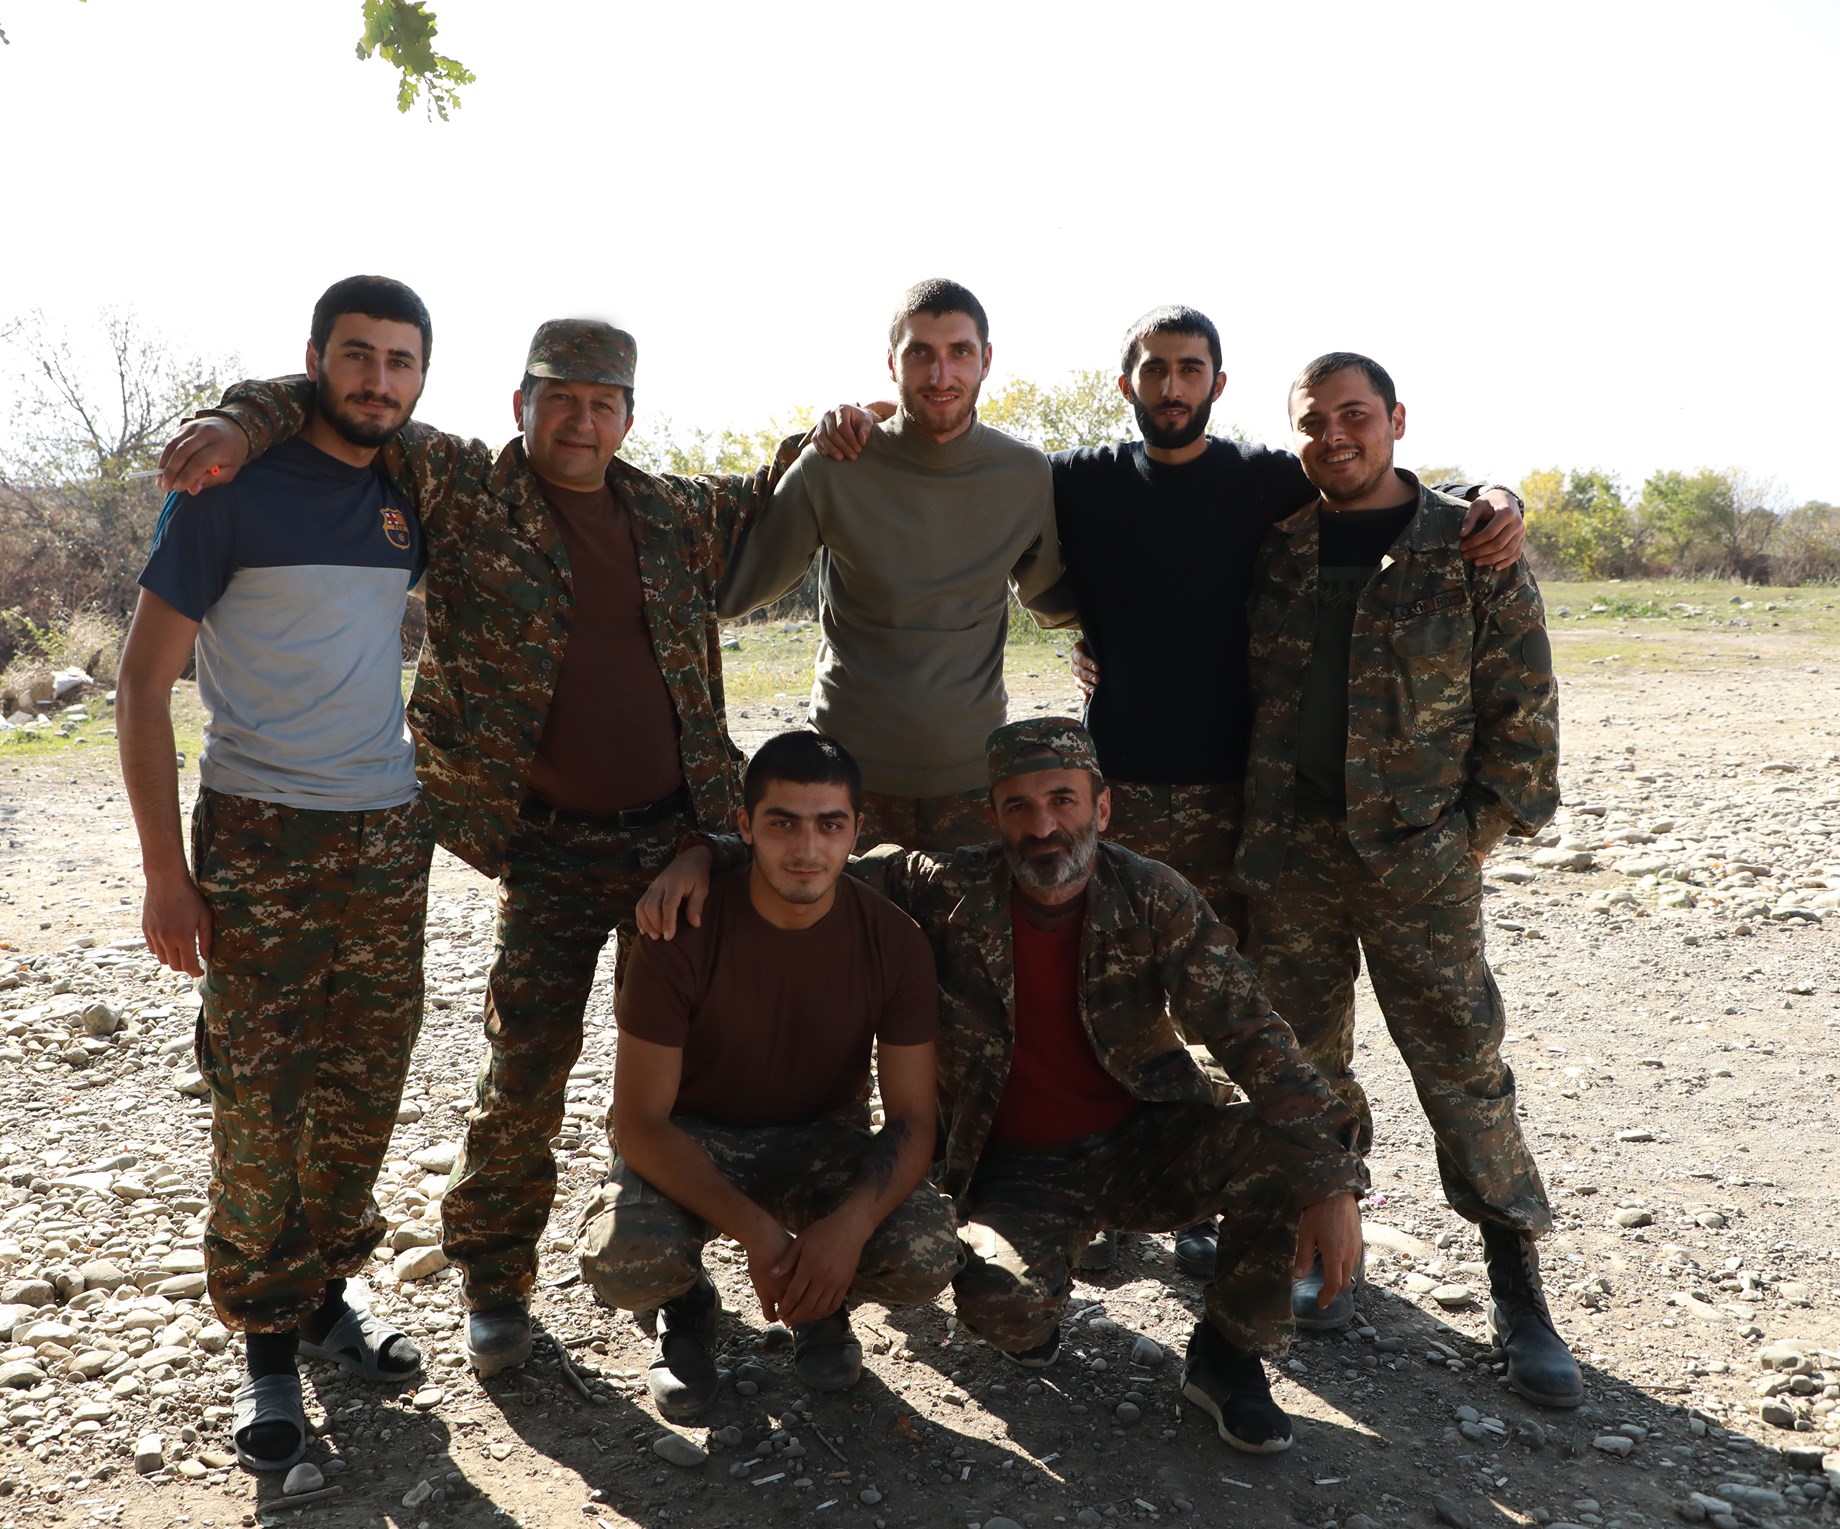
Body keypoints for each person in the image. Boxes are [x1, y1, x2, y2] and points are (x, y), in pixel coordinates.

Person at [810, 305, 1523, 1278]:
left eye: (1190, 369)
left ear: (1217, 384)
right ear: (1128, 384)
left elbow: (1381, 484)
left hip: (1244, 805)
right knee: (1112, 1006)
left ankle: (1287, 1209)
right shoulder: (1076, 480)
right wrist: (856, 421)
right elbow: (958, 460)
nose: (1173, 386)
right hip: (1118, 798)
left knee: (1248, 1012)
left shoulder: (1264, 479)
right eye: (1155, 369)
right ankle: (1121, 1190)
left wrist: (1491, 493)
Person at [154, 320, 798, 1379]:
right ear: (520, 405)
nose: (580, 422)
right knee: (524, 1071)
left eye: (602, 403)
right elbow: (347, 396)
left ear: (628, 417)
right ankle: (496, 1277)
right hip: (541, 846)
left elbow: (783, 486)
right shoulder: (462, 489)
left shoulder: (674, 512)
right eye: (559, 399)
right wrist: (236, 418)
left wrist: (842, 429)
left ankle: (672, 1279)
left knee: (678, 1075)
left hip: (673, 848)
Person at [639, 719, 1368, 1454]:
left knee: (1291, 1150)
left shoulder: (1154, 898)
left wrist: (1332, 1184)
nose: (1043, 826)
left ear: (1102, 808)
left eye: (1063, 800)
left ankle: (1229, 1355)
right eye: (1019, 806)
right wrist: (702, 854)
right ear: (992, 817)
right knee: (1004, 1309)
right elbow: (809, 853)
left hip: (1149, 1143)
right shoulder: (944, 888)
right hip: (1015, 1167)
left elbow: (1256, 1036)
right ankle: (1043, 1288)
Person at [119, 275, 435, 1473]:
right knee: (260, 1100)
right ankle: (264, 1342)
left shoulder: (411, 490)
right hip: (260, 836)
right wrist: (165, 872)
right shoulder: (227, 487)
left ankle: (323, 1297)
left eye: (399, 361)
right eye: (357, 355)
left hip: (386, 834)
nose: (377, 380)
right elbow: (141, 683)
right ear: (315, 361)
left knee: (362, 1087)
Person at [1232, 351, 1578, 1406]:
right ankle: (1319, 1252)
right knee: (1303, 1063)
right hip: (1293, 853)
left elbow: (1523, 709)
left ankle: (1518, 1289)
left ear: (1395, 419)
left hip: (1418, 857)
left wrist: (1469, 835)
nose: (1333, 436)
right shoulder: (1277, 547)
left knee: (1462, 1068)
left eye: (1354, 415)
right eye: (1312, 421)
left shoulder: (1467, 542)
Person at [577, 731, 959, 1420]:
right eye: (783, 823)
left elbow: (912, 1119)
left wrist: (847, 1229)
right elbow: (639, 1122)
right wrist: (759, 1233)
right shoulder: (680, 931)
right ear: (746, 826)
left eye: (829, 825)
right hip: (694, 1136)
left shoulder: (894, 940)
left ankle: (821, 1299)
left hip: (821, 1135)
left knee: (923, 1252)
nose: (807, 848)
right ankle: (684, 1303)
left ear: (856, 831)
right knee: (625, 1257)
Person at [716, 277, 1077, 853]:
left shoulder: (1026, 474)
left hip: (974, 780)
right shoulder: (833, 465)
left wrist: (1116, 638)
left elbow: (1054, 602)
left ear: (986, 360)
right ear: (892, 362)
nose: (941, 375)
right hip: (846, 781)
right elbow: (735, 593)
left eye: (960, 352)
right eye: (920, 353)